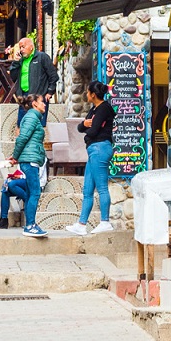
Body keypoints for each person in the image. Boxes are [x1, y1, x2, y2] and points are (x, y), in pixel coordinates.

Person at [64, 81, 116, 235]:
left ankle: (105, 221)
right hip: (93, 150)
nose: (86, 95)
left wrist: (87, 128)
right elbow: (81, 127)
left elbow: (92, 132)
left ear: (93, 94)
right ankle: (81, 224)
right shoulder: (94, 109)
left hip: (100, 148)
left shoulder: (104, 108)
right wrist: (85, 124)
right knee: (87, 189)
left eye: (87, 92)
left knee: (102, 188)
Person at [0, 94, 47, 237]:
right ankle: (30, 225)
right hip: (30, 161)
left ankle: (31, 223)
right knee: (35, 193)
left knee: (32, 192)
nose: (44, 104)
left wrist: (18, 156)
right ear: (34, 104)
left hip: (30, 160)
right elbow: (22, 138)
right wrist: (15, 156)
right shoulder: (31, 118)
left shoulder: (33, 118)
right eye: (42, 102)